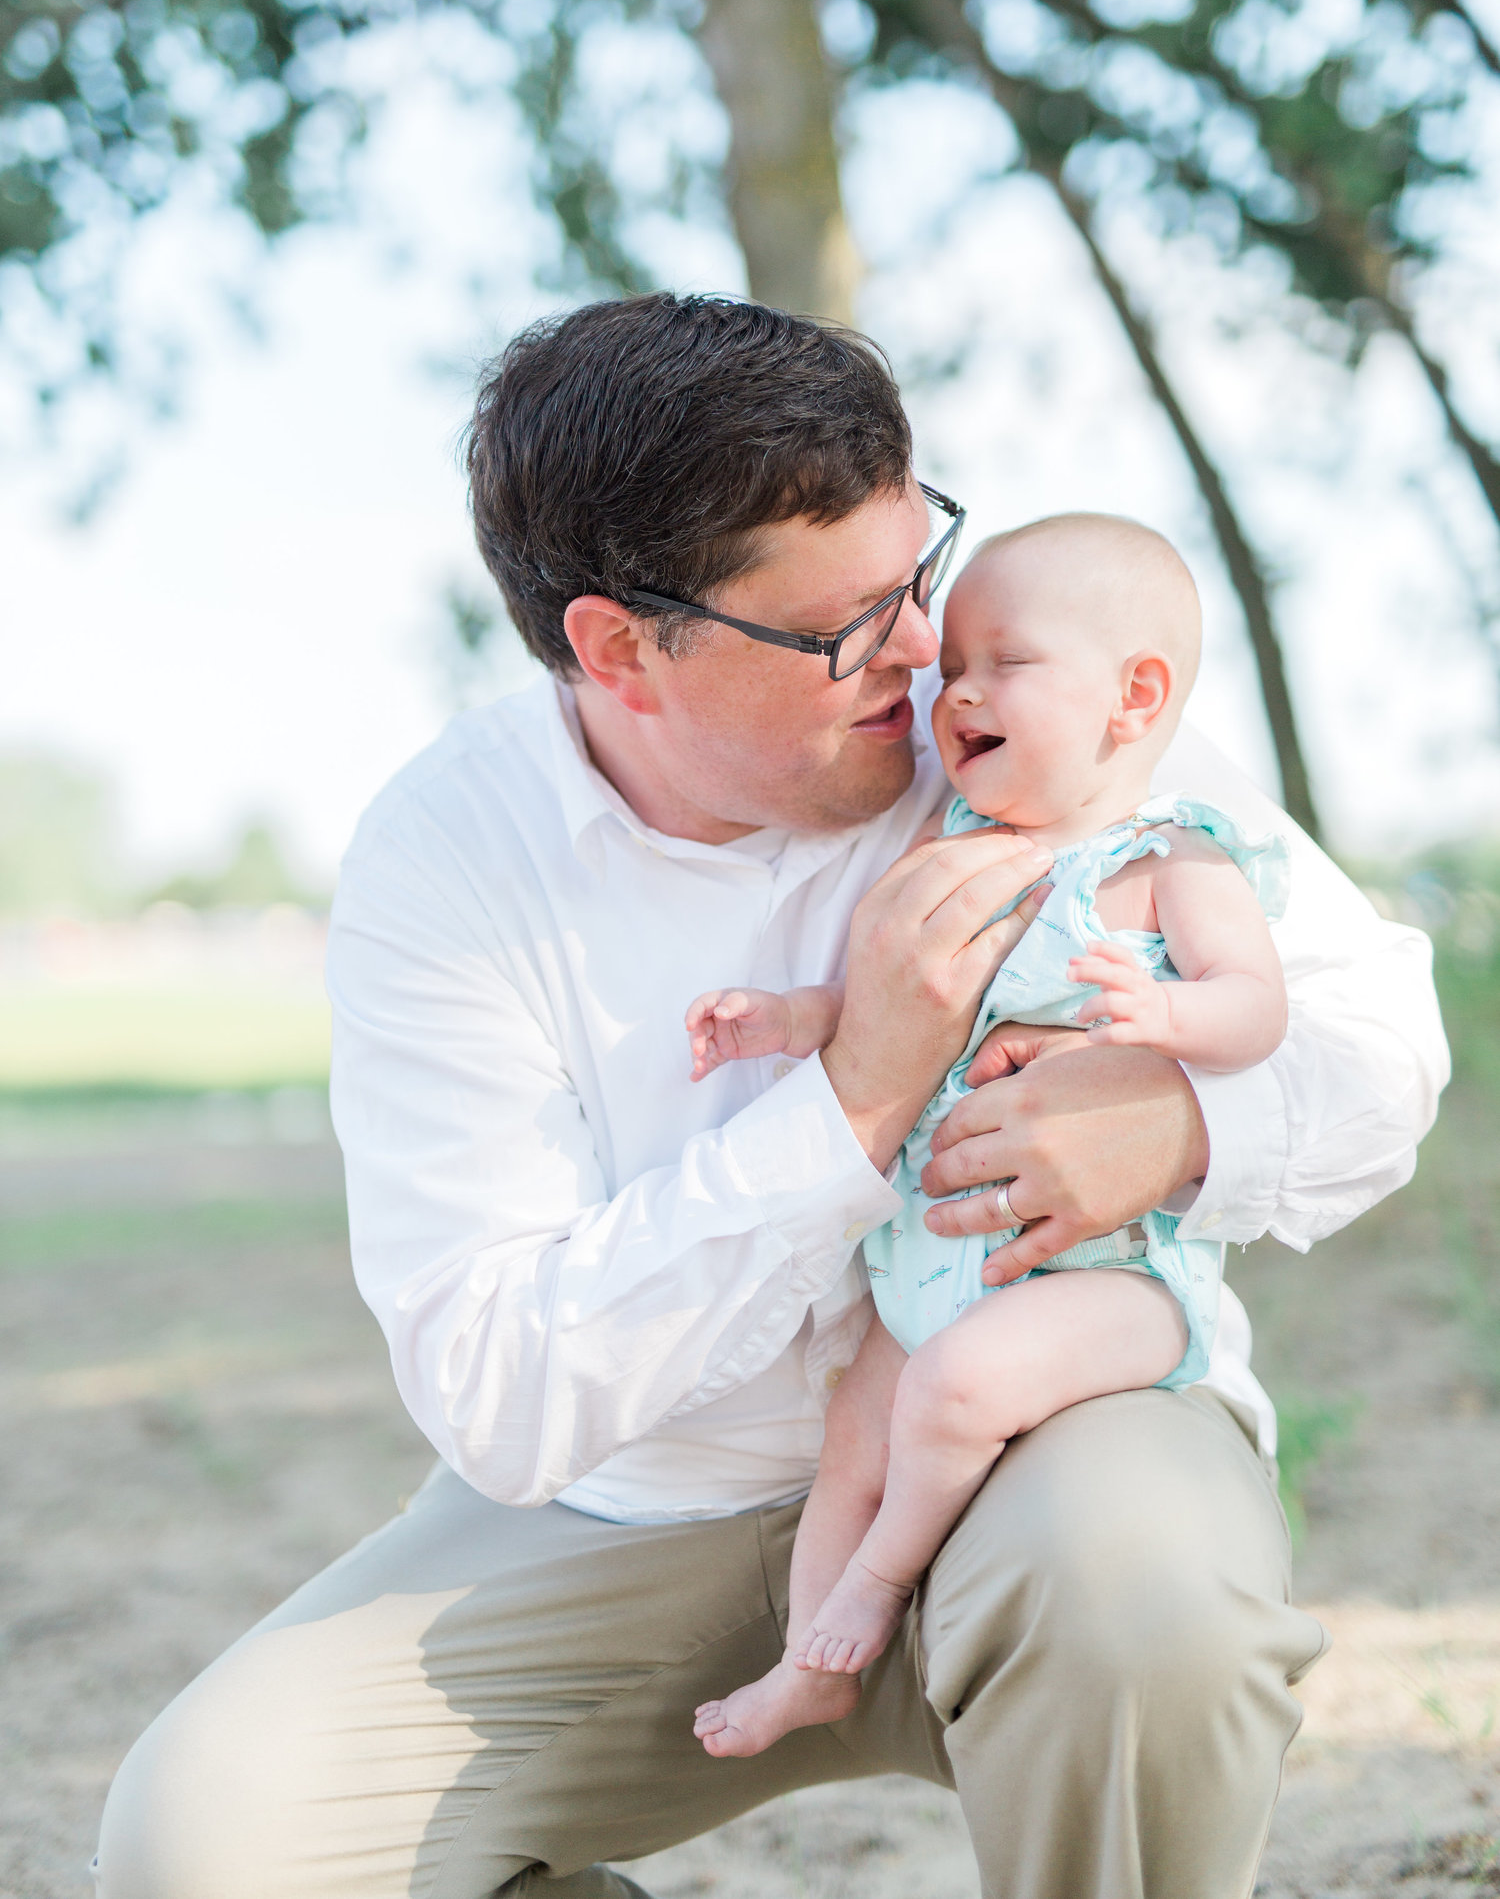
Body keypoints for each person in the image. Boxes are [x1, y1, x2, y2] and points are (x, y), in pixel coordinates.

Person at [94, 294, 1447, 1899]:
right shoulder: (448, 861)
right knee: (209, 1847)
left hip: (1034, 1449)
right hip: (629, 1522)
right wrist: (854, 1095)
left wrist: (1183, 1125)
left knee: (1142, 1596)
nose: (927, 652)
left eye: (918, 574)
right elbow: (494, 1391)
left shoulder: (1030, 719)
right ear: (618, 647)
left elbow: (1383, 1042)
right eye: (839, 629)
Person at [689, 513, 1291, 1757]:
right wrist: (788, 1017)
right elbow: (880, 997)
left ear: (1135, 697)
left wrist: (1166, 1013)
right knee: (856, 1424)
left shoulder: (1168, 858)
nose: (955, 686)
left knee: (954, 1388)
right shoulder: (950, 846)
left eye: (1003, 662)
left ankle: (875, 1590)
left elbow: (1260, 1009)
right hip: (936, 1267)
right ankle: (812, 1664)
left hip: (1113, 1279)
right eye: (951, 660)